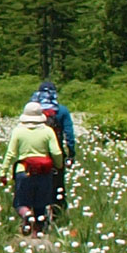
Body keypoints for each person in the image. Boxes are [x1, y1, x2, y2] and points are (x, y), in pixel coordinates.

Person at [1, 99, 65, 234]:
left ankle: (26, 215)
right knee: (40, 204)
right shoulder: (48, 131)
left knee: (20, 203)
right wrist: (58, 165)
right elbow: (56, 152)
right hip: (44, 172)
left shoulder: (18, 131)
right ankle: (37, 231)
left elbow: (10, 153)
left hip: (23, 171)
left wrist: (3, 172)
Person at [35, 79, 76, 212]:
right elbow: (69, 134)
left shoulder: (32, 110)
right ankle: (57, 213)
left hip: (35, 153)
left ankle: (36, 215)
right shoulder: (62, 111)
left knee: (36, 184)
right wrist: (71, 154)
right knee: (57, 184)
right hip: (56, 153)